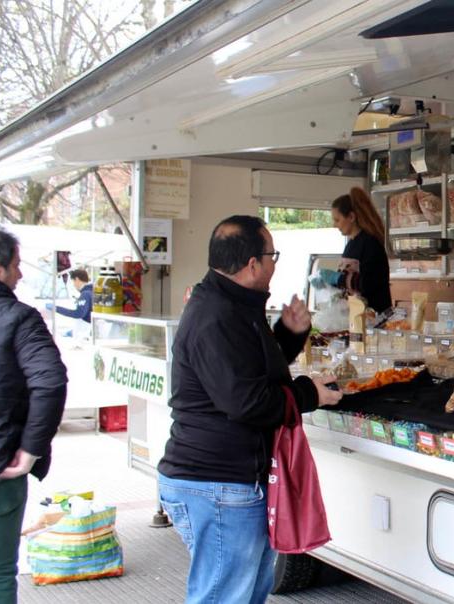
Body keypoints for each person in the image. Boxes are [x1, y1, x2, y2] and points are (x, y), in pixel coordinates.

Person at [157, 216, 342, 604]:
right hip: (217, 484)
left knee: (247, 593)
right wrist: (308, 394)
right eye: (272, 255)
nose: (275, 263)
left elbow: (251, 370)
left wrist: (288, 335)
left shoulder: (233, 304)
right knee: (224, 597)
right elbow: (247, 402)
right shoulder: (215, 316)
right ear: (253, 264)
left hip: (230, 482)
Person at [0, 226, 67, 604]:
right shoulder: (18, 318)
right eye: (17, 265)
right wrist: (29, 451)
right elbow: (50, 383)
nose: (20, 274)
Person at [330, 187, 391, 314]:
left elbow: (368, 283)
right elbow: (347, 279)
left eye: (337, 220)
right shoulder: (350, 244)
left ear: (351, 217)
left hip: (374, 315)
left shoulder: (370, 243)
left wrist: (337, 279)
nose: (334, 225)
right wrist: (330, 284)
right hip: (356, 315)